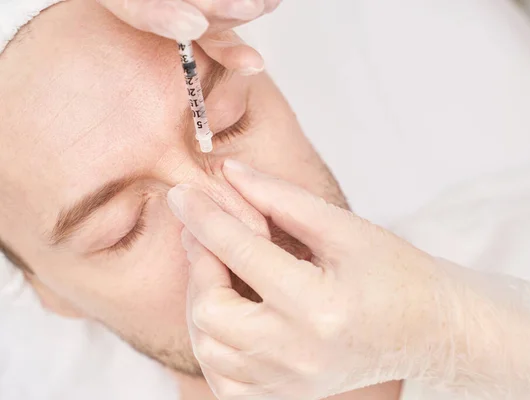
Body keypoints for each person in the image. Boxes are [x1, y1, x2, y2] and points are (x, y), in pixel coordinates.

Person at [0, 0, 399, 399]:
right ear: (41, 287)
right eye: (124, 229)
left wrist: (453, 332)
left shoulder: (459, 296)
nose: (246, 225)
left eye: (229, 123)